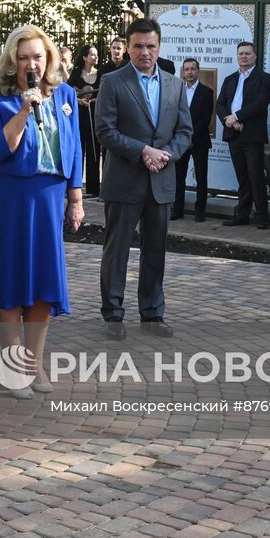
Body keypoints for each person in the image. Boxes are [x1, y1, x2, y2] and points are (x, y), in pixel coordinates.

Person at [0, 25, 84, 398]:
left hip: (49, 196)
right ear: (12, 61)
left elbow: (74, 150)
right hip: (11, 198)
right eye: (23, 58)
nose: (31, 63)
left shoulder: (65, 94)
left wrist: (76, 197)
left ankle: (35, 366)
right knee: (10, 280)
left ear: (48, 58)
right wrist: (23, 109)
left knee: (41, 282)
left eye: (37, 56)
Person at [94, 17, 193, 340]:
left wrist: (166, 155)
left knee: (155, 251)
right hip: (125, 179)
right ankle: (113, 314)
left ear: (159, 47)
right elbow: (105, 131)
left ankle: (152, 314)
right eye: (138, 46)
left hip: (161, 180)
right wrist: (143, 151)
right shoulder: (113, 81)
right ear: (128, 47)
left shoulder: (175, 84)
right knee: (117, 250)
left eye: (151, 46)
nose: (145, 52)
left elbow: (185, 131)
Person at [216, 42, 270, 228]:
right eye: (241, 53)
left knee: (256, 176)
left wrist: (236, 117)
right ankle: (242, 214)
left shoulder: (264, 78)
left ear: (255, 56)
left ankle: (262, 216)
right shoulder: (230, 79)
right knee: (242, 176)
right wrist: (228, 119)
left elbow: (260, 104)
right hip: (233, 134)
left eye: (248, 54)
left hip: (253, 135)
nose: (244, 56)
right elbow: (220, 103)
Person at [172, 58, 214, 222]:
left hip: (199, 140)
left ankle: (199, 211)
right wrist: (182, 138)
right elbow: (172, 116)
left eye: (193, 69)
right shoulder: (176, 91)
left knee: (201, 176)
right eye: (187, 69)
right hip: (180, 142)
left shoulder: (206, 92)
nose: (189, 72)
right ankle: (177, 209)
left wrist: (190, 136)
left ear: (198, 71)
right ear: (183, 71)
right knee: (178, 177)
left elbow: (205, 119)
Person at [67, 44, 102, 197]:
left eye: (96, 55)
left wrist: (94, 101)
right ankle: (76, 185)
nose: (96, 57)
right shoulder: (75, 74)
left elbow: (104, 94)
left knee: (93, 150)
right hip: (79, 116)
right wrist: (78, 100)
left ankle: (94, 188)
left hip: (94, 115)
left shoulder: (100, 74)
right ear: (85, 57)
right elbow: (68, 93)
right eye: (93, 54)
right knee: (78, 150)